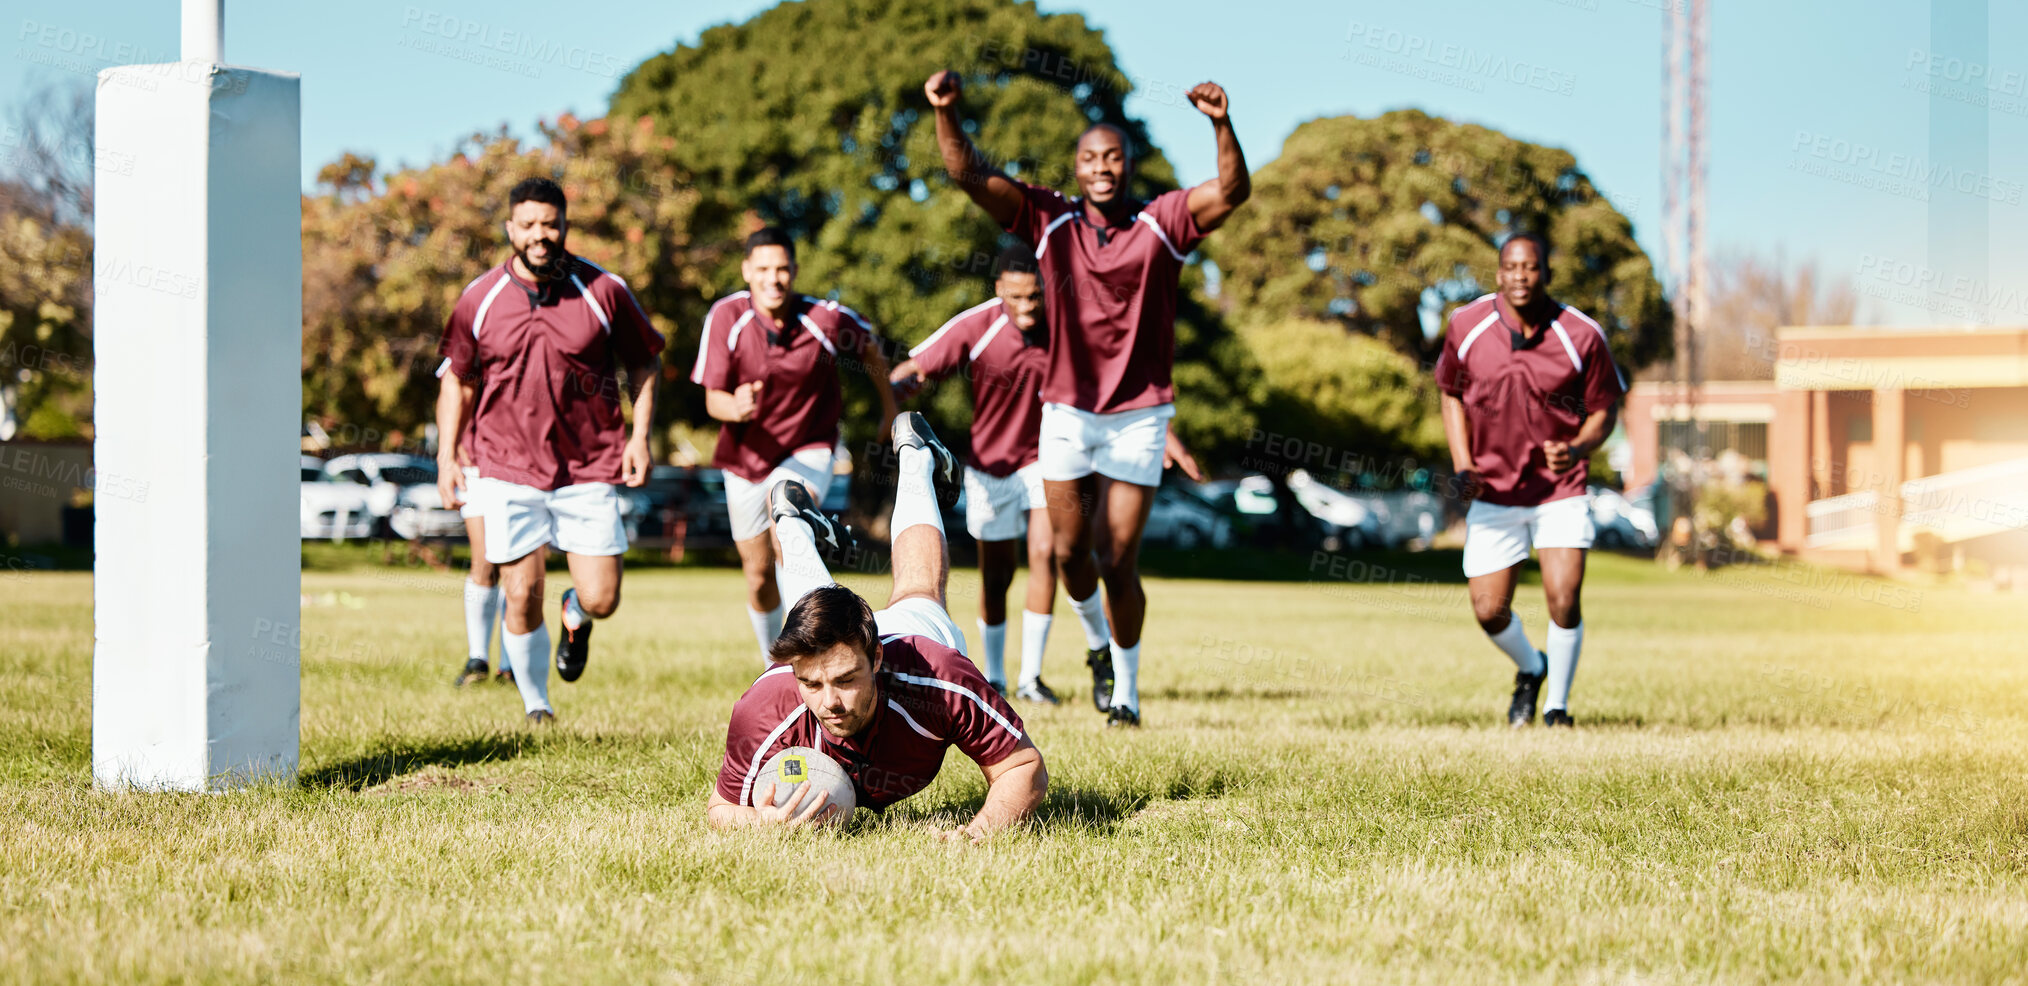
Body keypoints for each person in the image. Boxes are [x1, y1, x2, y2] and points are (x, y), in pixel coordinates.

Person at [924, 69, 1244, 726]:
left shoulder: (1164, 222)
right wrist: (947, 112)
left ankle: (1125, 692)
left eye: (1114, 158)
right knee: (1069, 554)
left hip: (1139, 415)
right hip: (1067, 412)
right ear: (1077, 169)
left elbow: (1233, 191)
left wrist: (1220, 123)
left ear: (1128, 166)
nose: (1102, 168)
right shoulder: (1049, 218)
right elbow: (967, 174)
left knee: (1116, 559)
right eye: (1090, 159)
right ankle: (1098, 646)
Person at [707, 412, 1048, 841]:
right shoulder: (765, 706)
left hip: (912, 634)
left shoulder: (936, 674)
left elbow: (1022, 765)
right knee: (812, 616)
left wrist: (978, 834)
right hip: (834, 646)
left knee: (919, 586)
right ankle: (793, 524)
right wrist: (761, 823)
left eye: (846, 679)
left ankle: (915, 455)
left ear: (877, 656)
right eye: (811, 684)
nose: (829, 701)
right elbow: (721, 808)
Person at [434, 177, 664, 724]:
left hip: (588, 466)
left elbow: (646, 361)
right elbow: (457, 382)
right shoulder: (480, 297)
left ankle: (576, 614)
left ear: (564, 226)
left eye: (551, 224)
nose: (541, 234)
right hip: (506, 467)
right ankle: (537, 704)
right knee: (521, 590)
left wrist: (639, 436)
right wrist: (446, 455)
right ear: (512, 229)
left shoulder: (603, 289)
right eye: (530, 224)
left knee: (604, 596)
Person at [1434, 233, 1626, 728]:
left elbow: (1606, 408)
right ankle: (1532, 667)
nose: (1521, 275)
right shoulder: (1467, 325)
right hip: (1494, 490)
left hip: (1558, 491)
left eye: (1531, 267)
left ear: (1546, 273)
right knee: (1487, 609)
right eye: (1511, 267)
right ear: (1499, 274)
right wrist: (1462, 464)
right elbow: (1449, 392)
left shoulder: (1580, 334)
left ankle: (1557, 708)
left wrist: (1579, 448)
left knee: (1563, 595)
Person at [690, 228, 901, 662]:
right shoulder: (727, 317)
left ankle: (805, 650)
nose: (774, 278)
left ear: (795, 271)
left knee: (786, 518)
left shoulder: (825, 318)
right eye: (763, 269)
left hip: (810, 447)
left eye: (783, 269)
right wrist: (737, 406)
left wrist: (890, 410)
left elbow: (871, 350)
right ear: (747, 271)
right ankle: (773, 661)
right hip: (743, 458)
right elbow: (713, 400)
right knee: (757, 573)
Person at [886, 245, 1060, 704]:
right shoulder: (978, 324)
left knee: (1046, 553)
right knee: (997, 573)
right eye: (1017, 297)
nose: (1027, 307)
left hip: (1047, 458)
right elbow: (920, 364)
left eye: (1035, 297)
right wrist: (900, 383)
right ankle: (998, 676)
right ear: (1000, 288)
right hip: (989, 466)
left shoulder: (1064, 324)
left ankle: (1033, 678)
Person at [446, 407, 509, 688]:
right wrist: (449, 454)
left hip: (530, 464)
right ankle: (478, 659)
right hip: (478, 466)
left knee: (519, 567)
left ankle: (510, 665)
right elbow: (452, 388)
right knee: (484, 562)